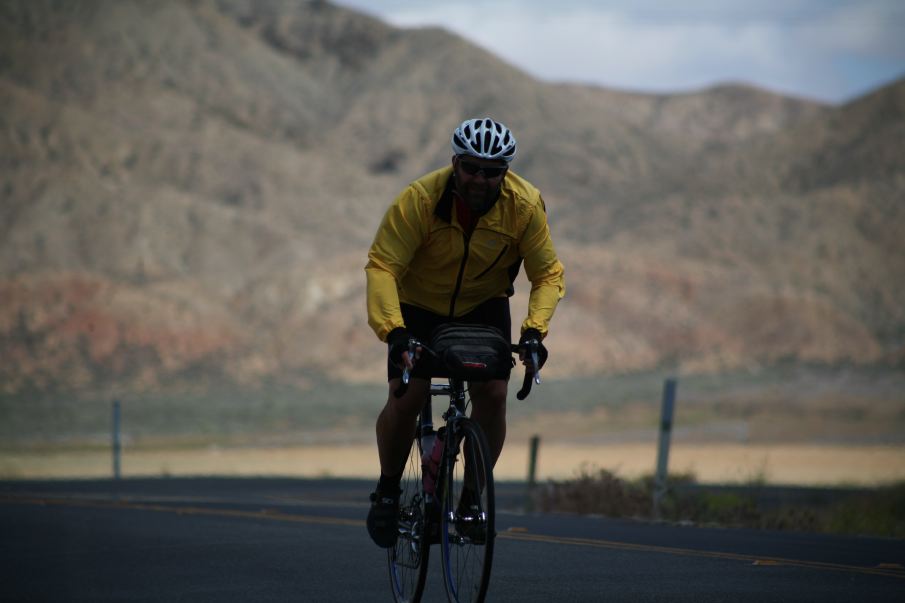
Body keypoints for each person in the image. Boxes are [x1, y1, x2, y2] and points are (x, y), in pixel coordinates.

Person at [364, 117, 565, 547]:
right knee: (409, 395)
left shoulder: (525, 205)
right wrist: (394, 332)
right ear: (455, 163)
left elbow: (547, 274)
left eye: (493, 172)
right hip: (418, 305)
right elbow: (383, 267)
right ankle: (386, 491)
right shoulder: (418, 200)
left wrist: (534, 332)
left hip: (483, 304)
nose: (481, 179)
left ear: (505, 173)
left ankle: (473, 500)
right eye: (472, 167)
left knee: (493, 394)